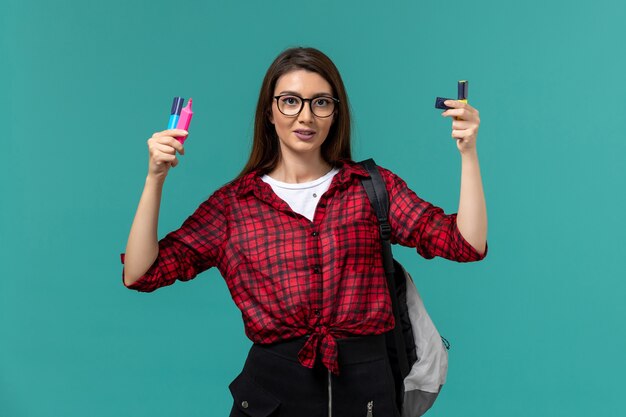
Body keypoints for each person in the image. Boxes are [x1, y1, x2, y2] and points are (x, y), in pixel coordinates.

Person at [121, 47, 487, 417]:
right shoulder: (234, 205)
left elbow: (465, 244)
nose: (306, 116)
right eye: (290, 101)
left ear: (335, 112)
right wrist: (155, 179)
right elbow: (141, 273)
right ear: (270, 111)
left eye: (321, 103)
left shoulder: (371, 188)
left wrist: (468, 152)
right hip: (271, 399)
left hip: (368, 398)